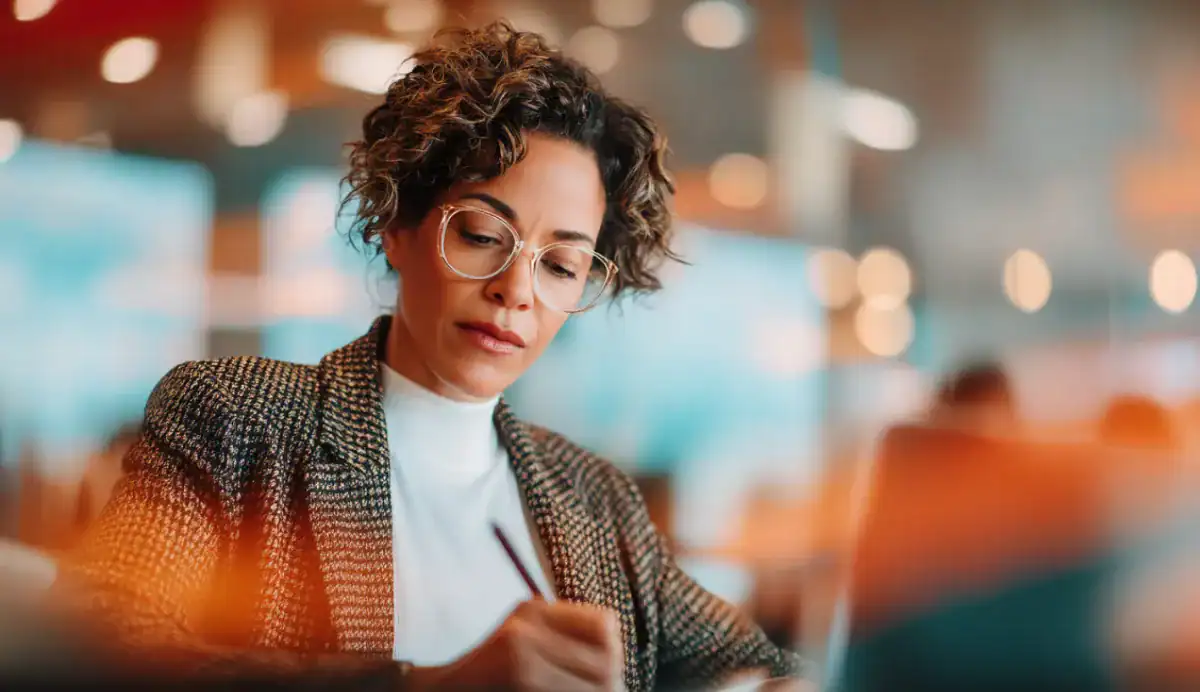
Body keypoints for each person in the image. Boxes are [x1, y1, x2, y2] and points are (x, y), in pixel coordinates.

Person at [56, 22, 804, 691]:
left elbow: (768, 671)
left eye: (560, 266)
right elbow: (103, 650)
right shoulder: (237, 419)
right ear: (397, 225)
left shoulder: (596, 501)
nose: (517, 291)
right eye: (482, 235)